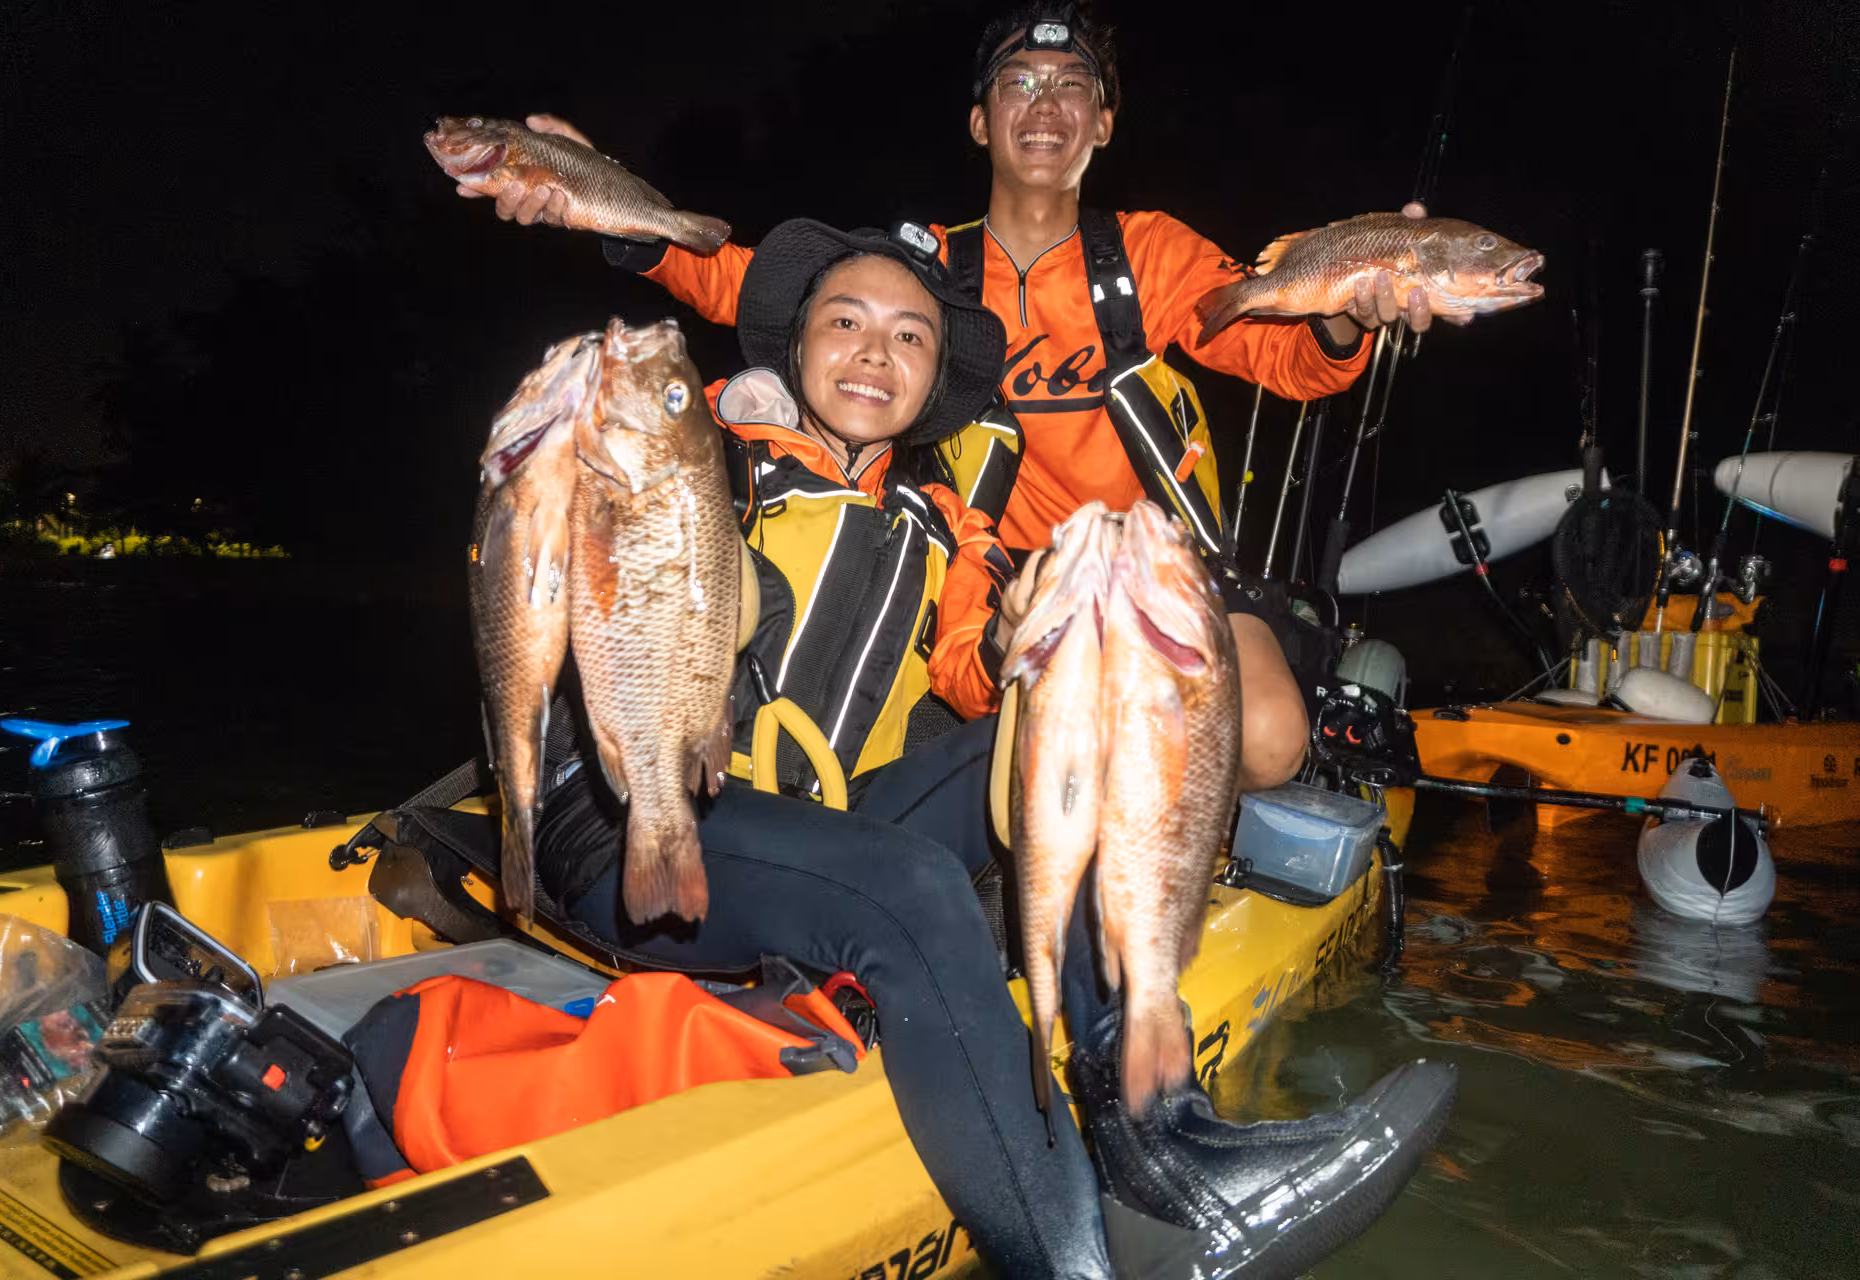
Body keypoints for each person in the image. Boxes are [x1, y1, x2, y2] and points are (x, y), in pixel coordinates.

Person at [529, 218, 1456, 1280]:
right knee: (917, 883)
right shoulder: (699, 455)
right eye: (846, 322)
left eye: (911, 336)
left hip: (827, 834)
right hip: (633, 834)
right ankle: (1065, 1259)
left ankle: (1160, 1133)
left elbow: (970, 672)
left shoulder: (946, 523)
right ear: (795, 346)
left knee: (1071, 735)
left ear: (936, 380)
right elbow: (591, 558)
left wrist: (1028, 645)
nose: (876, 352)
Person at [460, 1, 1441, 798]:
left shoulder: (1145, 256)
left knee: (1268, 739)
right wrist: (603, 199)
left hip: (1158, 563)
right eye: (1019, 83)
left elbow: (1292, 356)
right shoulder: (928, 269)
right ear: (982, 121)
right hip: (1003, 575)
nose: (1045, 105)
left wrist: (1347, 310)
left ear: (1103, 122)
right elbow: (748, 281)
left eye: (1073, 88)